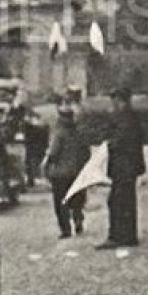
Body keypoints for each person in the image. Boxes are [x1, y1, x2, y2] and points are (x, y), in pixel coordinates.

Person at [100, 86, 145, 248]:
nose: (114, 104)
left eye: (116, 100)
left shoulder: (125, 119)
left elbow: (119, 141)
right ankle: (127, 235)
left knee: (119, 201)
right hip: (128, 167)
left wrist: (108, 144)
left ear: (121, 101)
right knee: (125, 201)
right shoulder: (130, 117)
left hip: (124, 167)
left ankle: (119, 236)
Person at [42, 95, 88, 238]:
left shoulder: (59, 133)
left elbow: (53, 152)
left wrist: (46, 163)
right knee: (77, 200)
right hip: (76, 172)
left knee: (61, 202)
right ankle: (78, 219)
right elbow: (86, 153)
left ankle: (66, 229)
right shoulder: (79, 133)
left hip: (60, 174)